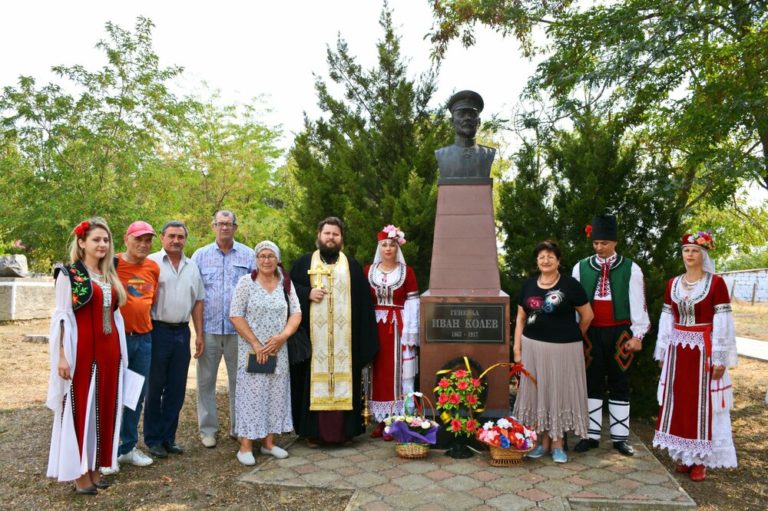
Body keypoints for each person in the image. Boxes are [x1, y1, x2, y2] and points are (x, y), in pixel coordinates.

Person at [46, 217, 128, 494]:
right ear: (81, 243)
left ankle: (94, 468)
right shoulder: (69, 275)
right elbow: (61, 318)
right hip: (83, 354)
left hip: (110, 354)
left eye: (105, 240)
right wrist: (61, 356)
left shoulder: (109, 275)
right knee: (82, 409)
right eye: (96, 239)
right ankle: (78, 473)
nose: (102, 244)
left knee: (104, 409)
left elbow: (115, 317)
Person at [653, 231, 737, 481]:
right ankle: (684, 456)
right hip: (678, 352)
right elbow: (667, 319)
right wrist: (662, 350)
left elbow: (723, 320)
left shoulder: (716, 283)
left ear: (703, 254)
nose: (689, 255)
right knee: (680, 402)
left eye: (694, 251)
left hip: (704, 351)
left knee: (704, 404)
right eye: (686, 251)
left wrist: (720, 358)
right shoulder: (673, 284)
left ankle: (701, 460)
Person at [289, 216, 379, 445]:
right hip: (313, 342)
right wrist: (307, 293)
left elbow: (364, 305)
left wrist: (363, 342)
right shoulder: (304, 263)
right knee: (311, 383)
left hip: (344, 344)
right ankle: (312, 432)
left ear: (342, 239)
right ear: (319, 235)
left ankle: (344, 433)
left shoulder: (352, 266)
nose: (331, 238)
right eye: (327, 233)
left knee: (345, 381)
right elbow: (288, 290)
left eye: (335, 234)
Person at [572, 214, 651, 456]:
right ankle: (591, 436)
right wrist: (574, 334)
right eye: (596, 243)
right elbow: (576, 305)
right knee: (591, 382)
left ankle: (620, 439)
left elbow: (639, 304)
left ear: (615, 242)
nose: (599, 247)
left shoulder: (631, 268)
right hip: (590, 333)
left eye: (604, 243)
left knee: (619, 382)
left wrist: (638, 335)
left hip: (620, 334)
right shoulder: (581, 267)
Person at [513, 240, 593, 464]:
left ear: (558, 260)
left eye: (550, 256)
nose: (545, 260)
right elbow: (520, 318)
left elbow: (588, 316)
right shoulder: (528, 285)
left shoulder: (570, 285)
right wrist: (516, 348)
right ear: (536, 261)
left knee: (557, 393)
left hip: (564, 350)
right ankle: (541, 442)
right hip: (533, 348)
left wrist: (570, 334)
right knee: (539, 394)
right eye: (541, 257)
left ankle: (557, 444)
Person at [230, 241, 302, 464]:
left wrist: (283, 336)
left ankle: (269, 443)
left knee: (275, 393)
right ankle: (245, 446)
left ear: (277, 259)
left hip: (277, 350)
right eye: (262, 256)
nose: (266, 260)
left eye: (271, 256)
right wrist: (255, 342)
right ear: (256, 259)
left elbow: (296, 313)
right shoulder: (246, 283)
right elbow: (235, 315)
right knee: (251, 395)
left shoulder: (285, 283)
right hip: (253, 350)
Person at [101, 221, 160, 476]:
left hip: (144, 339)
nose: (143, 244)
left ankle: (127, 447)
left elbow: (150, 301)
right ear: (126, 239)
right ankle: (107, 453)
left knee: (135, 395)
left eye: (148, 240)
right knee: (112, 395)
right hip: (117, 339)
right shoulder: (110, 264)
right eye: (138, 239)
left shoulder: (153, 267)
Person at [192, 210, 254, 448]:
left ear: (235, 227)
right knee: (205, 381)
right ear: (213, 226)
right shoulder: (200, 256)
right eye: (220, 224)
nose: (225, 228)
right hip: (207, 329)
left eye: (229, 224)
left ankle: (239, 427)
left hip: (239, 331)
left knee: (240, 381)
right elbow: (196, 296)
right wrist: (197, 332)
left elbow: (255, 292)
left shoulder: (248, 255)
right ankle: (208, 430)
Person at [144, 221, 205, 458]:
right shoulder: (151, 262)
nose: (176, 240)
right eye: (171, 236)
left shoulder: (192, 267)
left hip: (182, 332)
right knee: (155, 386)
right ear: (162, 238)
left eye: (180, 237)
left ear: (185, 240)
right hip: (156, 330)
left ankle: (169, 437)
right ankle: (153, 439)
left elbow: (198, 300)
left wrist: (199, 333)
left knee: (177, 388)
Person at [364, 225, 420, 438]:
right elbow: (363, 301)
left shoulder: (407, 272)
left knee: (397, 373)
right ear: (379, 247)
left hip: (398, 328)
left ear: (398, 247)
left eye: (392, 244)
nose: (388, 248)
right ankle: (381, 420)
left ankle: (398, 421)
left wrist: (411, 332)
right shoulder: (368, 270)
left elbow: (413, 302)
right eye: (384, 244)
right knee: (376, 372)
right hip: (375, 327)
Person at [435, 90, 496, 182]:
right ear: (452, 122)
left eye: (472, 114)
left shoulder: (488, 154)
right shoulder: (441, 154)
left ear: (479, 122)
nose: (467, 118)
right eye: (461, 114)